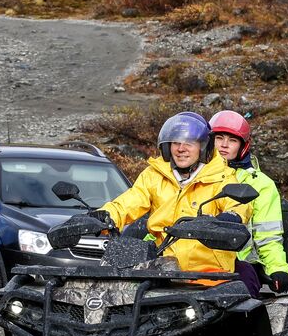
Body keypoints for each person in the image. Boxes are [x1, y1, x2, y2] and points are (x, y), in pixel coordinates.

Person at [95, 112, 254, 289]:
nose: (181, 149)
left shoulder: (221, 176)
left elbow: (238, 204)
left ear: (202, 146)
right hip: (163, 268)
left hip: (207, 273)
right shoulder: (154, 175)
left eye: (188, 143)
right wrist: (103, 216)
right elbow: (131, 200)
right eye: (175, 143)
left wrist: (230, 217)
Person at [209, 110, 288, 294]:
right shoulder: (194, 176)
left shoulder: (261, 185)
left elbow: (268, 236)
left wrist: (278, 269)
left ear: (243, 146)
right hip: (195, 260)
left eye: (232, 140)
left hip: (239, 263)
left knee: (240, 306)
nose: (224, 145)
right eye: (219, 138)